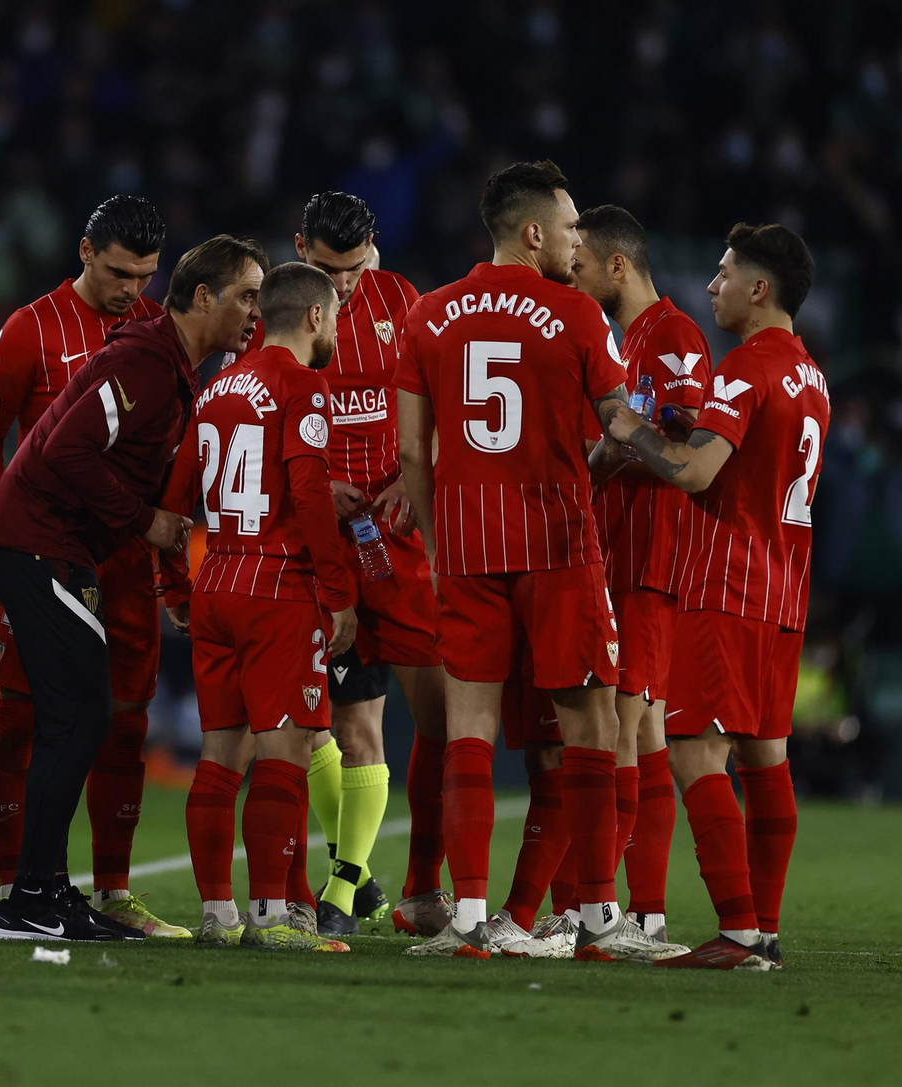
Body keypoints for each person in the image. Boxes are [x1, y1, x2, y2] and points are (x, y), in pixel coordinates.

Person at [394, 160, 676, 961]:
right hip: (558, 546)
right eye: (570, 224)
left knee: (471, 731)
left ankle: (470, 919)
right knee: (589, 728)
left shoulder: (429, 314)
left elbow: (414, 451)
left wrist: (438, 538)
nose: (577, 237)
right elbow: (621, 422)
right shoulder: (580, 316)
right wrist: (677, 451)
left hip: (469, 545)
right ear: (533, 233)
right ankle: (593, 920)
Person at [0, 233, 265, 941]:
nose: (255, 312)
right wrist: (144, 521)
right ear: (204, 298)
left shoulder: (167, 364)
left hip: (55, 546)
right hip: (36, 543)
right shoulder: (144, 358)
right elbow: (65, 446)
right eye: (246, 296)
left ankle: (45, 890)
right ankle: (29, 900)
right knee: (77, 716)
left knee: (82, 716)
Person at [606, 223, 826, 970]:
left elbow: (696, 474)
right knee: (766, 757)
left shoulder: (744, 366)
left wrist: (631, 428)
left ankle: (734, 930)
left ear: (759, 289)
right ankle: (762, 926)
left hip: (726, 585)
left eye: (726, 273)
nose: (712, 286)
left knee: (695, 747)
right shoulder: (809, 374)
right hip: (785, 590)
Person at [163, 261, 357, 952]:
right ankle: (274, 915)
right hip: (278, 585)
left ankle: (219, 913)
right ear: (313, 317)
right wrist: (338, 593)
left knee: (219, 756)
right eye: (333, 316)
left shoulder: (219, 386)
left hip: (215, 578)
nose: (334, 329)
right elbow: (308, 495)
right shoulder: (302, 385)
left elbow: (173, 494)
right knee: (286, 749)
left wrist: (172, 589)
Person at [288, 191, 450, 938]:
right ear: (300, 248)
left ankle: (410, 885)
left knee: (431, 720)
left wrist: (415, 480)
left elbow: (444, 406)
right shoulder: (282, 313)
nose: (343, 283)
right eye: (327, 267)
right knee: (319, 726)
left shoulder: (402, 302)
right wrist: (316, 487)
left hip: (394, 542)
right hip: (312, 541)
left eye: (353, 268)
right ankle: (346, 880)